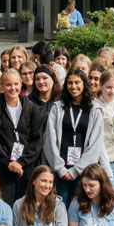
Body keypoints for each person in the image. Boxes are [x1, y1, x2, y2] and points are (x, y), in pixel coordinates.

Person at [0, 68, 46, 204]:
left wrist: (21, 163)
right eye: (8, 84)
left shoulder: (31, 108)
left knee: (26, 206)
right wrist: (9, 163)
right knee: (5, 206)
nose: (13, 88)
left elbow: (37, 140)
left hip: (26, 168)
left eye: (16, 84)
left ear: (21, 84)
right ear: (2, 85)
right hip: (3, 168)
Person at [44, 70, 104, 204]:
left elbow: (95, 144)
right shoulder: (57, 107)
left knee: (79, 205)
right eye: (70, 83)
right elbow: (49, 140)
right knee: (59, 204)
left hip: (84, 166)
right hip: (60, 164)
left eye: (77, 82)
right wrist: (60, 169)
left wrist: (76, 170)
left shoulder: (94, 109)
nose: (73, 86)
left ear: (84, 84)